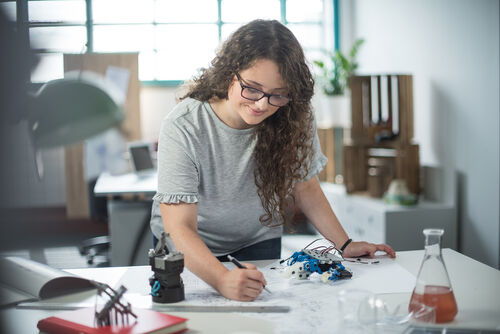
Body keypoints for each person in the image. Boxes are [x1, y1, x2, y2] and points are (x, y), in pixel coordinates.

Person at [150, 19, 395, 302]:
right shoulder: (184, 125)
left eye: (278, 94)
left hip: (257, 240)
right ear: (229, 74)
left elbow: (305, 186)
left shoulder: (294, 116)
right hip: (189, 248)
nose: (262, 104)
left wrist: (345, 243)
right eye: (252, 88)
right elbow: (178, 227)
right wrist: (221, 279)